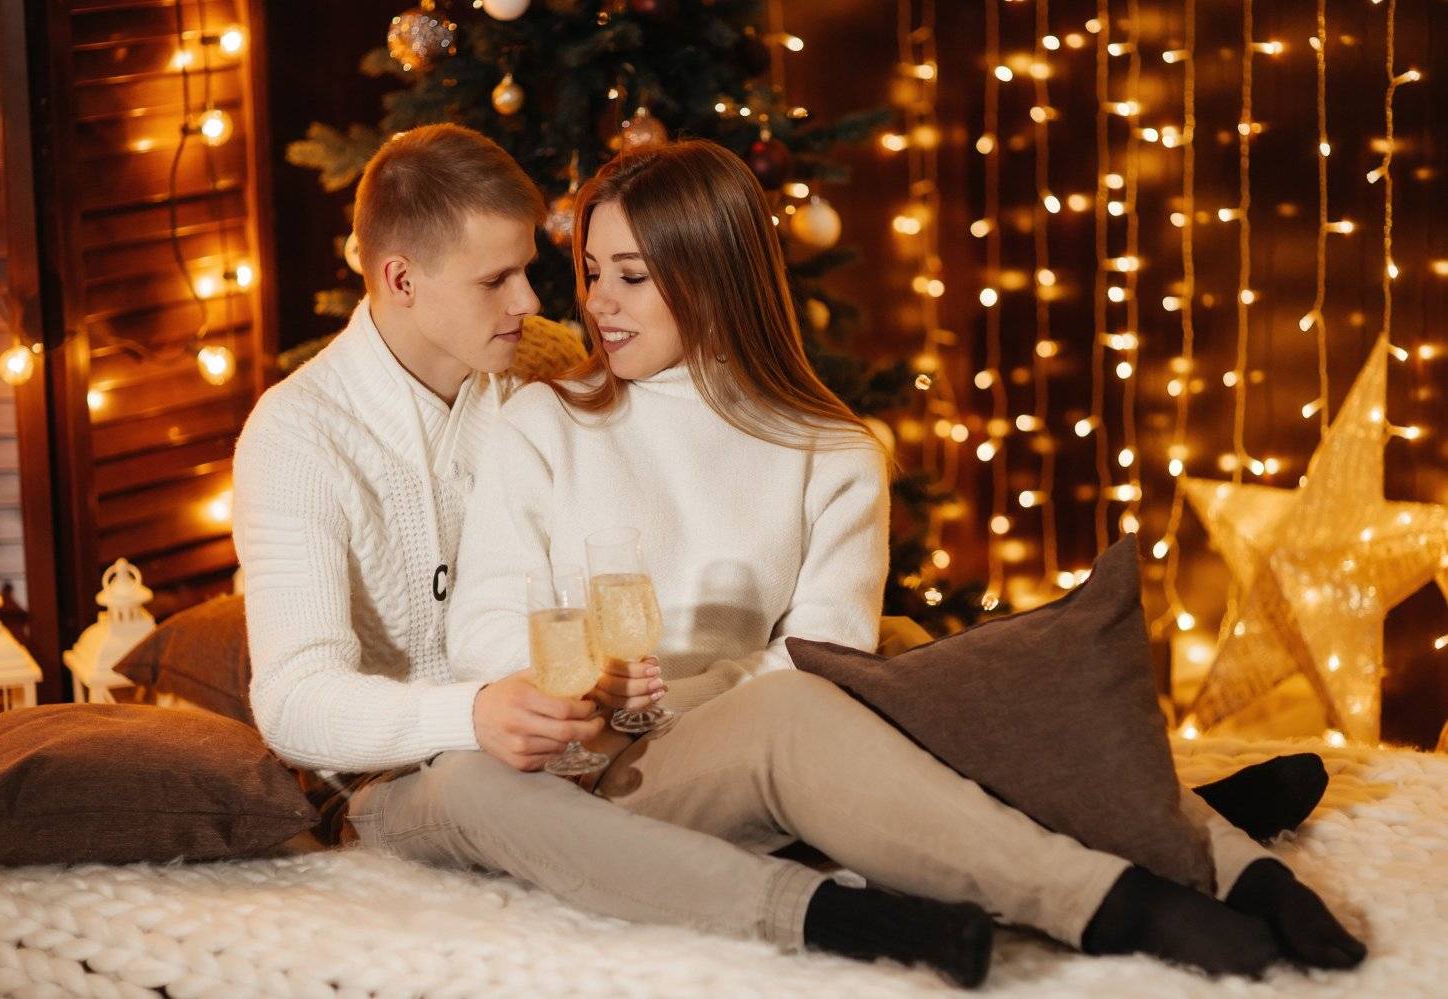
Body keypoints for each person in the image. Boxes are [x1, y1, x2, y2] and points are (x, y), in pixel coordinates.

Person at [440, 139, 1366, 978]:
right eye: (590, 271)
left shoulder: (831, 450)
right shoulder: (542, 424)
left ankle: (1238, 866)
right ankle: (1113, 901)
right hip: (608, 772)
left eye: (631, 276)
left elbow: (826, 653)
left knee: (931, 667)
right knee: (810, 704)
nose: (596, 302)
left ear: (713, 276)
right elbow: (486, 629)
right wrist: (599, 699)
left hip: (758, 723)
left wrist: (689, 691)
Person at [233, 123, 998, 989]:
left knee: (890, 652)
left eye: (532, 268)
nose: (536, 301)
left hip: (577, 737)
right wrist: (473, 714)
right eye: (496, 280)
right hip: (409, 777)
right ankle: (831, 914)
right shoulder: (298, 436)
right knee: (490, 787)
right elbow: (291, 700)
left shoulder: (531, 370)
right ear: (401, 279)